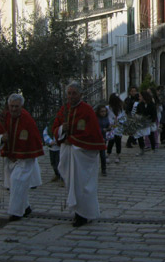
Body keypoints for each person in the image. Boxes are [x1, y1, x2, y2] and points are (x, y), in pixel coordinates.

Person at [52, 82, 106, 227]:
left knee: (83, 186)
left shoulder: (87, 110)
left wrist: (73, 140)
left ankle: (84, 214)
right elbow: (55, 128)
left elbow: (92, 134)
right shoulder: (64, 109)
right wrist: (62, 129)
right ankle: (77, 212)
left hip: (83, 157)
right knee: (71, 185)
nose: (71, 96)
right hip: (69, 155)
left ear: (81, 95)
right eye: (69, 93)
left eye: (74, 93)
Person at [0, 93, 43, 221]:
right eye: (11, 106)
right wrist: (1, 138)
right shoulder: (4, 117)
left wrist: (20, 155)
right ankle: (25, 207)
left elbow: (33, 141)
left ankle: (15, 212)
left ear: (21, 106)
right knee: (15, 185)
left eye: (16, 107)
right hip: (9, 158)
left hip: (24, 159)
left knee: (17, 181)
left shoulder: (27, 119)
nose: (13, 109)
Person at [133, 90, 158, 155]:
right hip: (142, 122)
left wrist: (152, 121)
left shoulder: (151, 104)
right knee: (139, 135)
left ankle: (153, 148)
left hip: (149, 122)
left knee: (150, 135)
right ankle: (142, 148)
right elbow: (138, 112)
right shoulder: (140, 104)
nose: (139, 98)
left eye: (140, 96)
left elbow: (154, 114)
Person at [106, 93, 126, 162]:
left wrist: (122, 122)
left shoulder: (121, 108)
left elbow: (124, 117)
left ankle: (118, 155)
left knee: (118, 142)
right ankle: (108, 154)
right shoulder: (108, 108)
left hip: (119, 127)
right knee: (111, 142)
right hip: (111, 127)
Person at [95, 105, 110, 177]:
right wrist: (102, 130)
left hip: (103, 138)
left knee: (103, 155)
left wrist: (109, 128)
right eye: (102, 111)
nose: (103, 113)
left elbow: (108, 125)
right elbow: (94, 128)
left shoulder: (106, 118)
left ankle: (103, 169)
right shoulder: (96, 118)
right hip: (96, 138)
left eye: (104, 111)